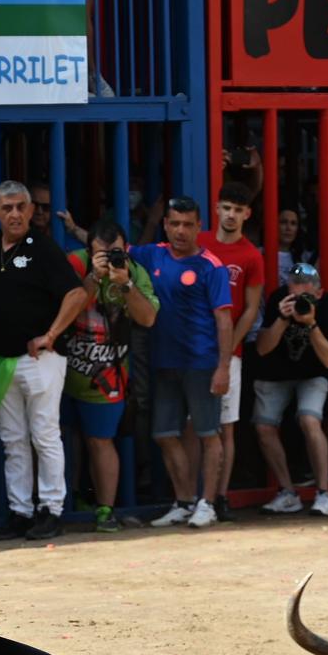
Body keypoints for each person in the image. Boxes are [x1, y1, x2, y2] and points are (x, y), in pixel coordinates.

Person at [0, 180, 88, 541]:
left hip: (39, 358)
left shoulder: (44, 248)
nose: (14, 213)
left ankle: (51, 509)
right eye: (6, 208)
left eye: (20, 207)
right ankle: (20, 511)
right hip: (1, 360)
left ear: (30, 210)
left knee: (44, 435)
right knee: (13, 440)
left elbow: (76, 293)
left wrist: (51, 335)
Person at [131, 197, 232, 527]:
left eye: (188, 224)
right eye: (174, 223)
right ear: (165, 224)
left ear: (199, 227)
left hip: (202, 363)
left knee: (207, 433)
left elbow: (224, 320)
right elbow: (114, 248)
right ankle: (185, 501)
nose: (180, 230)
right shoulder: (153, 254)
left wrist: (223, 367)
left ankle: (209, 503)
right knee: (164, 433)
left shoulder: (211, 267)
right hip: (164, 363)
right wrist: (75, 229)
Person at [62, 219, 157, 532]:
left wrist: (125, 283)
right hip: (64, 373)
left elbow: (148, 318)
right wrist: (93, 277)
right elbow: (62, 312)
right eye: (101, 254)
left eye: (116, 253)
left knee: (100, 441)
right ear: (89, 251)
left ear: (126, 249)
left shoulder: (135, 271)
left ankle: (105, 509)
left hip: (107, 378)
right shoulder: (75, 263)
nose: (109, 259)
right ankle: (65, 505)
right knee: (63, 440)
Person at [193, 185, 264, 522]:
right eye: (226, 207)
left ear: (247, 214)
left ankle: (220, 496)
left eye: (239, 209)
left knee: (225, 427)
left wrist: (229, 349)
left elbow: (250, 309)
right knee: (194, 425)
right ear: (216, 209)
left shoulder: (252, 255)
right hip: (193, 349)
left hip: (229, 352)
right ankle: (197, 497)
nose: (232, 214)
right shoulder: (200, 243)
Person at [254, 261, 328, 517]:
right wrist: (283, 319)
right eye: (294, 293)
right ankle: (287, 493)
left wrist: (311, 323)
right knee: (263, 425)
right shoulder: (278, 301)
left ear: (318, 293)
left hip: (314, 373)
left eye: (305, 295)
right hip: (276, 373)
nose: (299, 301)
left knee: (309, 419)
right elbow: (262, 349)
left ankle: (324, 493)